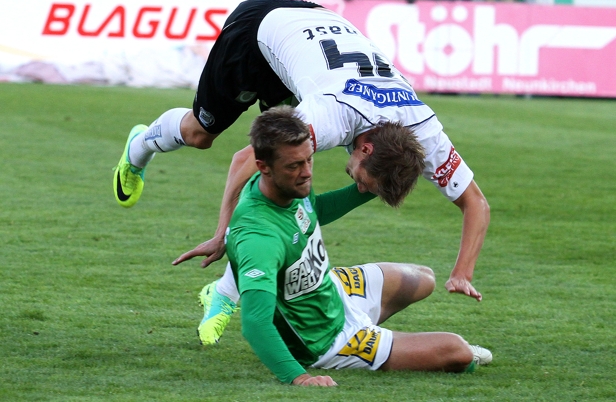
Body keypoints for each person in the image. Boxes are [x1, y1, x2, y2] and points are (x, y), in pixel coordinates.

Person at [113, 0, 490, 342]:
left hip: (314, 31)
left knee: (288, 184)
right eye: (362, 178)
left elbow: (476, 204)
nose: (357, 183)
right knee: (201, 133)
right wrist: (222, 234)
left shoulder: (424, 131)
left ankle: (225, 291)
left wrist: (462, 272)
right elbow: (245, 159)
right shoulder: (332, 116)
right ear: (366, 147)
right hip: (259, 29)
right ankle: (139, 145)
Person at [196, 106, 492, 385]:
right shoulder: (259, 236)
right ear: (263, 167)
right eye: (295, 165)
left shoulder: (285, 186)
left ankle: (384, 334)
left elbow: (316, 211)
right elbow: (255, 324)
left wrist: (373, 183)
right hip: (325, 338)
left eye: (309, 159)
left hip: (331, 291)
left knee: (423, 278)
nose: (307, 172)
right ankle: (226, 292)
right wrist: (299, 378)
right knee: (457, 351)